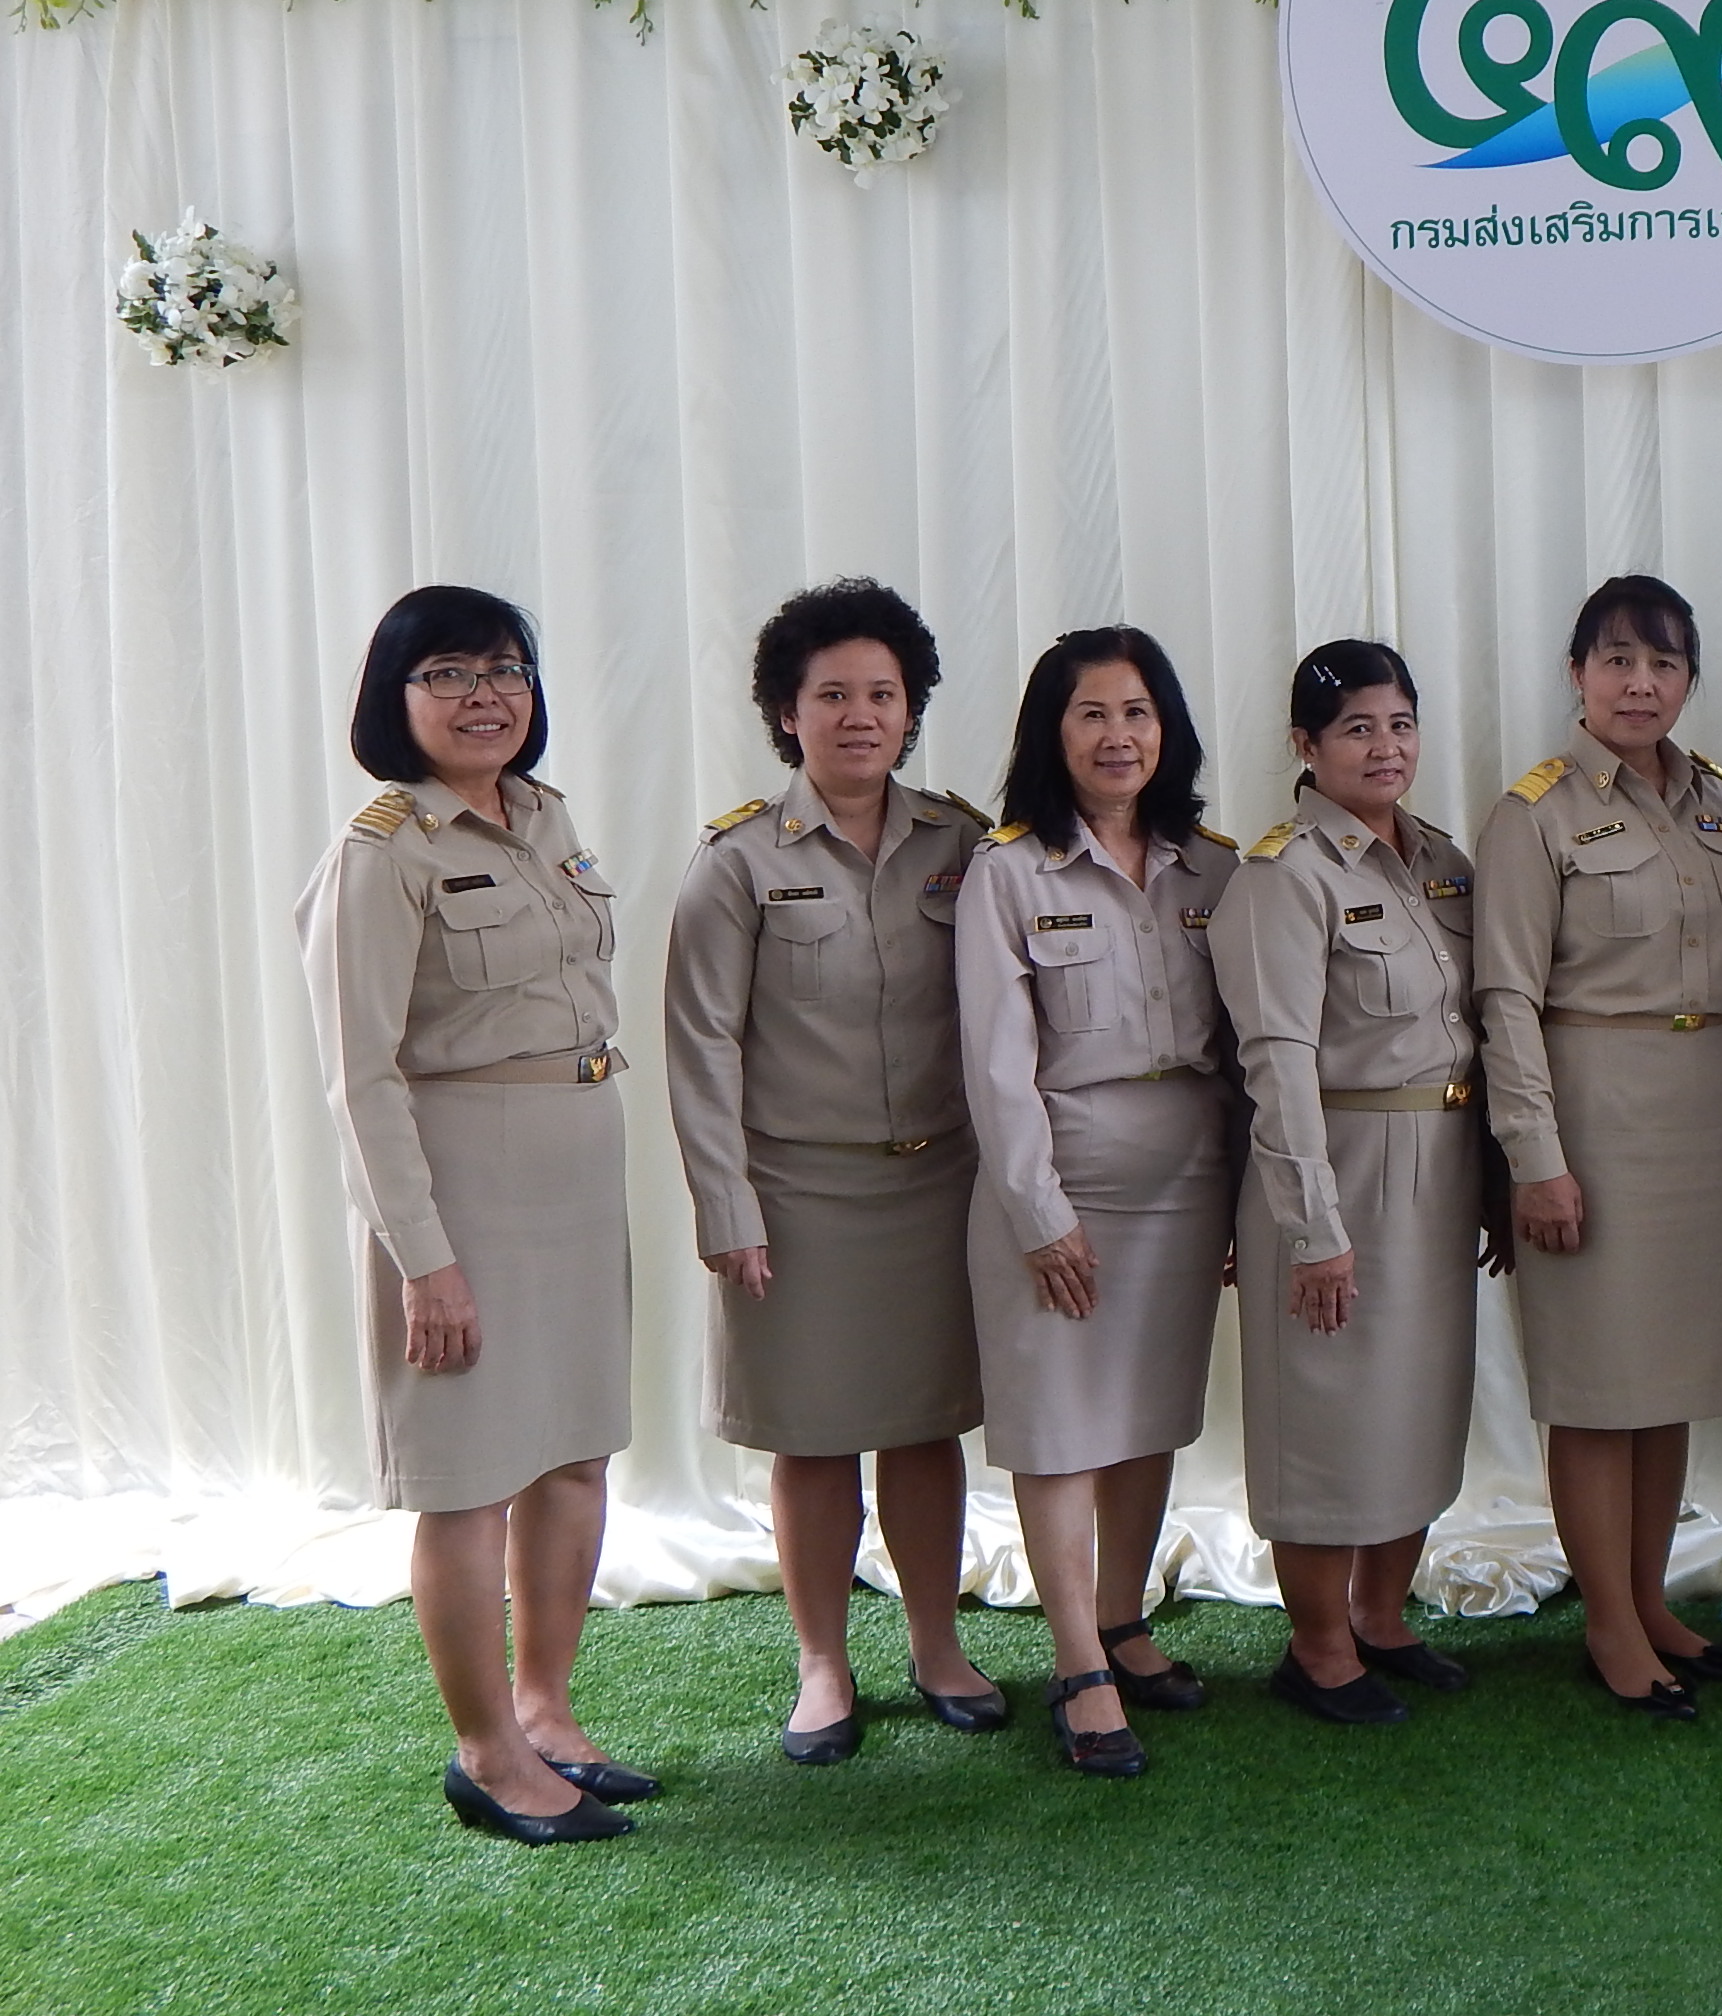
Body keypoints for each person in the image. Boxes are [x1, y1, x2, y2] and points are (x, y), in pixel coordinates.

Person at [297, 585, 648, 1845]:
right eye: (446, 672)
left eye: (504, 669)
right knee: (468, 1482)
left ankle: (546, 1711)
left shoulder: (544, 818)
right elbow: (361, 1079)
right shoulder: (381, 851)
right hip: (463, 1194)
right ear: (394, 698)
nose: (484, 695)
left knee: (572, 1456)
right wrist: (423, 1261)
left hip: (576, 1172)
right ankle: (488, 1754)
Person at [663, 578, 1002, 1766]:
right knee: (810, 1437)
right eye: (833, 695)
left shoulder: (964, 844)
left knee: (924, 1427)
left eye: (883, 694)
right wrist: (726, 1205)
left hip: (939, 1186)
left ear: (911, 710)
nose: (861, 716)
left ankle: (936, 1645)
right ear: (786, 711)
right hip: (796, 1196)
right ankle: (822, 1663)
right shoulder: (737, 860)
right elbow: (701, 1045)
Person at [1473, 576, 1722, 1719]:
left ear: (1690, 678)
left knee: (1669, 1383)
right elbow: (1507, 999)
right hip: (1595, 1117)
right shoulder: (1535, 815)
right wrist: (1536, 1158)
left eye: (1663, 662)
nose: (1640, 683)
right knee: (1600, 1387)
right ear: (1576, 675)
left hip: (1706, 1117)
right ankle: (1609, 1621)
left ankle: (1651, 1601)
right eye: (1616, 659)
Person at [956, 627, 1244, 1778]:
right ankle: (1078, 1664)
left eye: (1138, 712)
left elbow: (1246, 1048)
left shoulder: (1210, 867)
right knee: (1062, 1426)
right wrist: (1039, 1214)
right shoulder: (1009, 871)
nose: (1118, 735)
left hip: (1188, 1179)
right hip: (1064, 1178)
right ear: (1053, 732)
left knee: (1146, 1414)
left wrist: (1245, 1195)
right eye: (1092, 714)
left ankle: (1124, 1621)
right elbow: (995, 1065)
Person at [1208, 641, 1483, 1725]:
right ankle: (1318, 1646)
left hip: (1440, 1164)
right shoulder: (1283, 876)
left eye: (1400, 724)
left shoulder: (1440, 861)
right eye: (1357, 728)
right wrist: (1312, 1227)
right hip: (1337, 1165)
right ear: (1306, 746)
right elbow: (1276, 1063)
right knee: (1326, 1408)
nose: (1385, 747)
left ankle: (1383, 1615)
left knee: (1416, 1397)